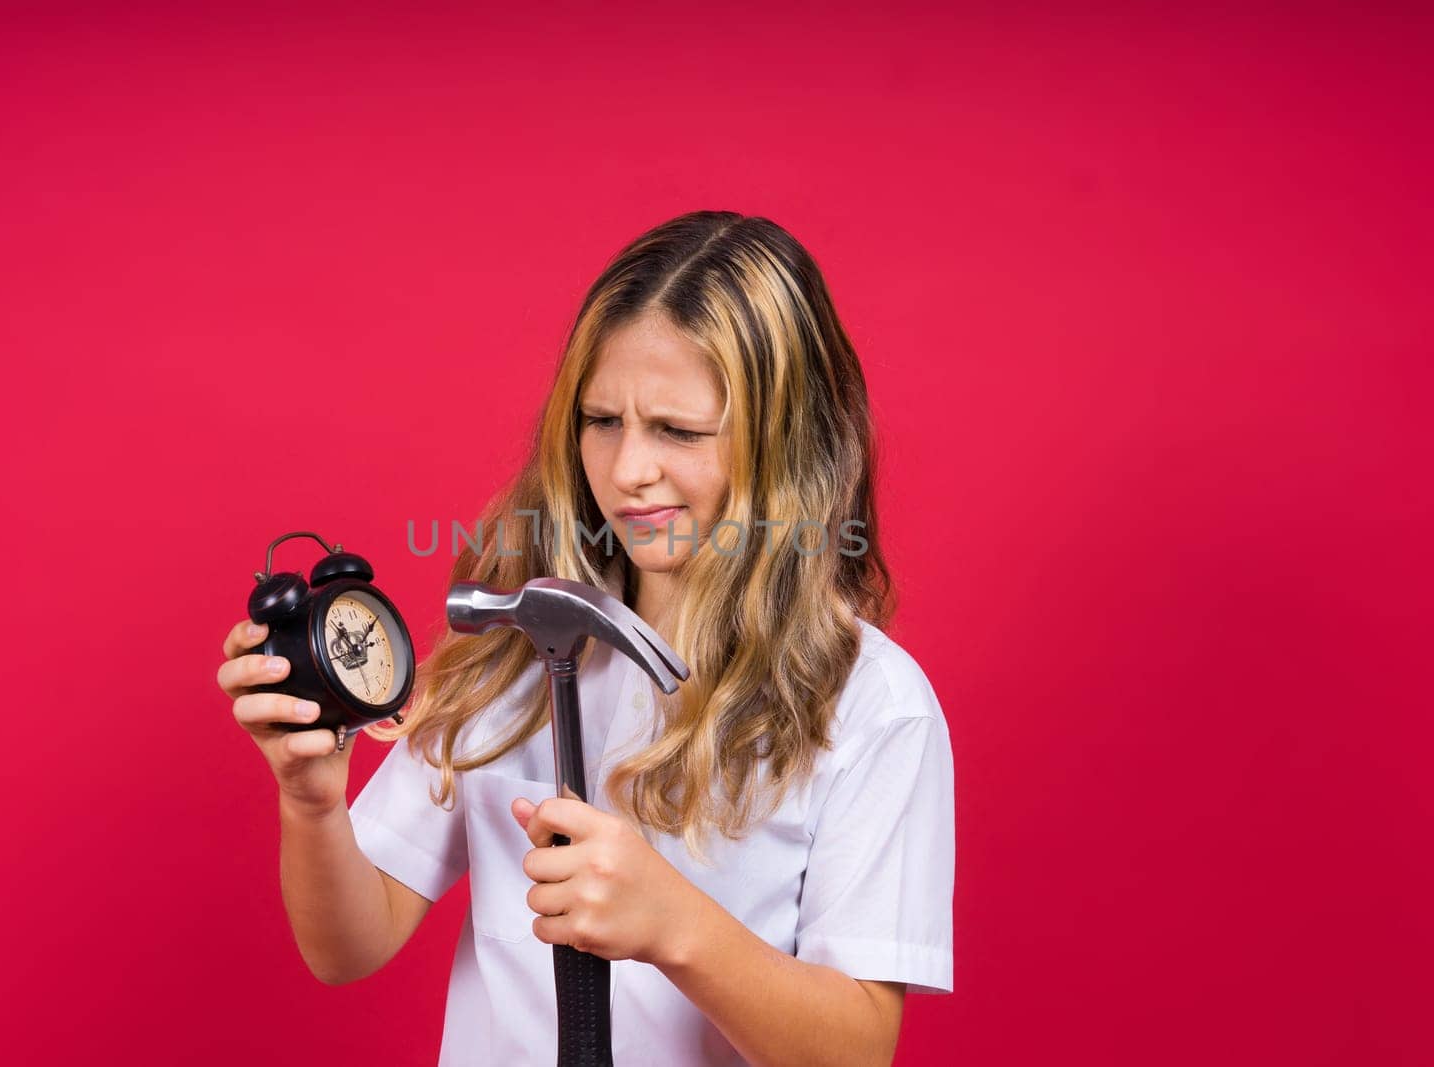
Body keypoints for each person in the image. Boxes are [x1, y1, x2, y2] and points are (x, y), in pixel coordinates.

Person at [217, 210, 955, 1065]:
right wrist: (310, 800)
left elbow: (855, 1051)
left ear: (786, 445)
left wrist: (674, 922)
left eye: (678, 430)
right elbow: (348, 945)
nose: (628, 470)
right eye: (602, 420)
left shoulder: (873, 707)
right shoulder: (514, 653)